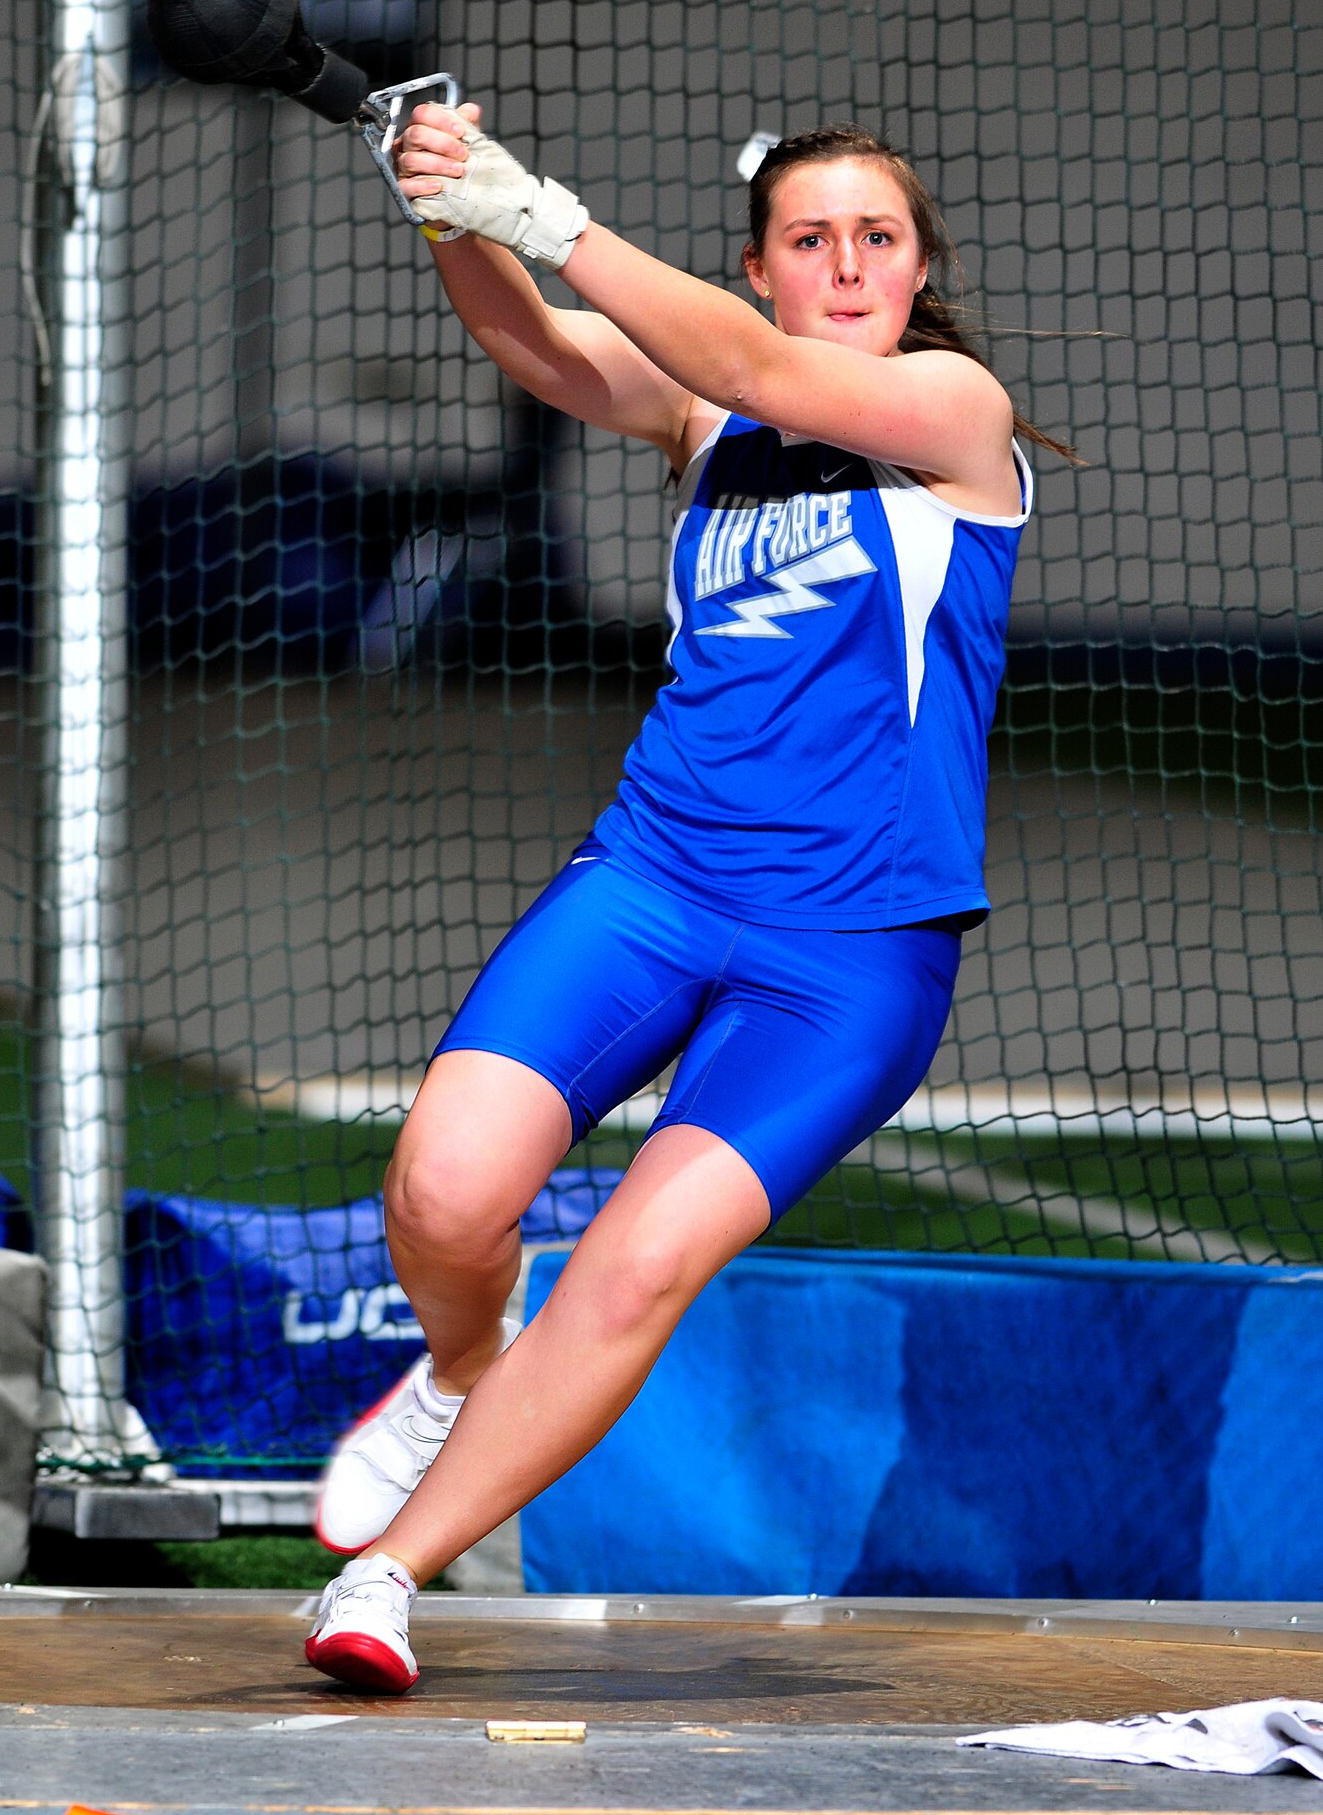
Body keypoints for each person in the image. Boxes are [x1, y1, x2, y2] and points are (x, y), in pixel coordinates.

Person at [305, 107, 1071, 1695]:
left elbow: (767, 371)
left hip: (846, 958)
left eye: (877, 237)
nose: (847, 263)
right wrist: (452, 208)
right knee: (445, 1198)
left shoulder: (950, 409)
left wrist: (546, 207)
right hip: (652, 881)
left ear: (919, 270)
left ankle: (388, 1574)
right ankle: (458, 1364)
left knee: (639, 1262)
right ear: (760, 266)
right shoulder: (700, 411)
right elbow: (530, 337)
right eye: (810, 239)